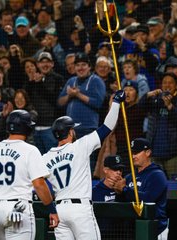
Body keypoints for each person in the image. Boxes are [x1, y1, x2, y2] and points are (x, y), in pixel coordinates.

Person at [42, 90, 125, 239]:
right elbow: (108, 126)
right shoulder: (80, 145)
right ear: (70, 132)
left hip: (59, 209)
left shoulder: (45, 158)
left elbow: (35, 182)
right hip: (80, 209)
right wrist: (116, 103)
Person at [0, 110, 59, 239]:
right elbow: (39, 184)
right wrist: (51, 210)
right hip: (17, 210)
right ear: (27, 128)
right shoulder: (30, 150)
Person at [114, 137, 168, 239]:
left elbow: (148, 199)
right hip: (133, 230)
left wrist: (124, 189)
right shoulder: (130, 177)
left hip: (154, 230)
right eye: (132, 153)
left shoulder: (157, 175)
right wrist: (118, 191)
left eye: (137, 152)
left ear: (148, 152)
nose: (133, 156)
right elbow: (122, 203)